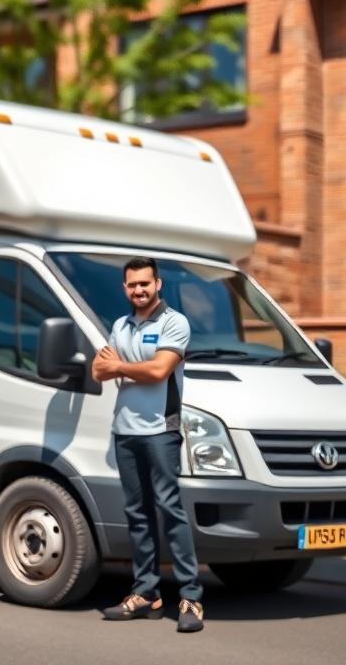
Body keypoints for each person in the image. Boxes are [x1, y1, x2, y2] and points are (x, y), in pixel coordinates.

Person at [91, 256, 204, 633]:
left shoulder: (175, 323)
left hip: (161, 430)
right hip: (125, 431)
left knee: (170, 512)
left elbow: (158, 371)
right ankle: (146, 594)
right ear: (125, 288)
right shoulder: (120, 325)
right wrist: (121, 366)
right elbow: (96, 371)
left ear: (158, 285)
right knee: (137, 514)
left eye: (145, 283)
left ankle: (190, 597)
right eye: (132, 285)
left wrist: (120, 366)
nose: (138, 290)